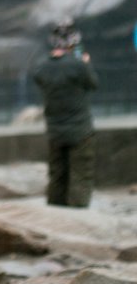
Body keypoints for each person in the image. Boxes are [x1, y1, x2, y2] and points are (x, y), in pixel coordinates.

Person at [33, 20, 98, 208]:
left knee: (57, 176)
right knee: (81, 177)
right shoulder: (79, 66)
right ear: (73, 41)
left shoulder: (42, 68)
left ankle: (55, 216)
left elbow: (42, 80)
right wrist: (86, 64)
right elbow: (93, 84)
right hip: (81, 131)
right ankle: (77, 220)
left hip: (55, 131)